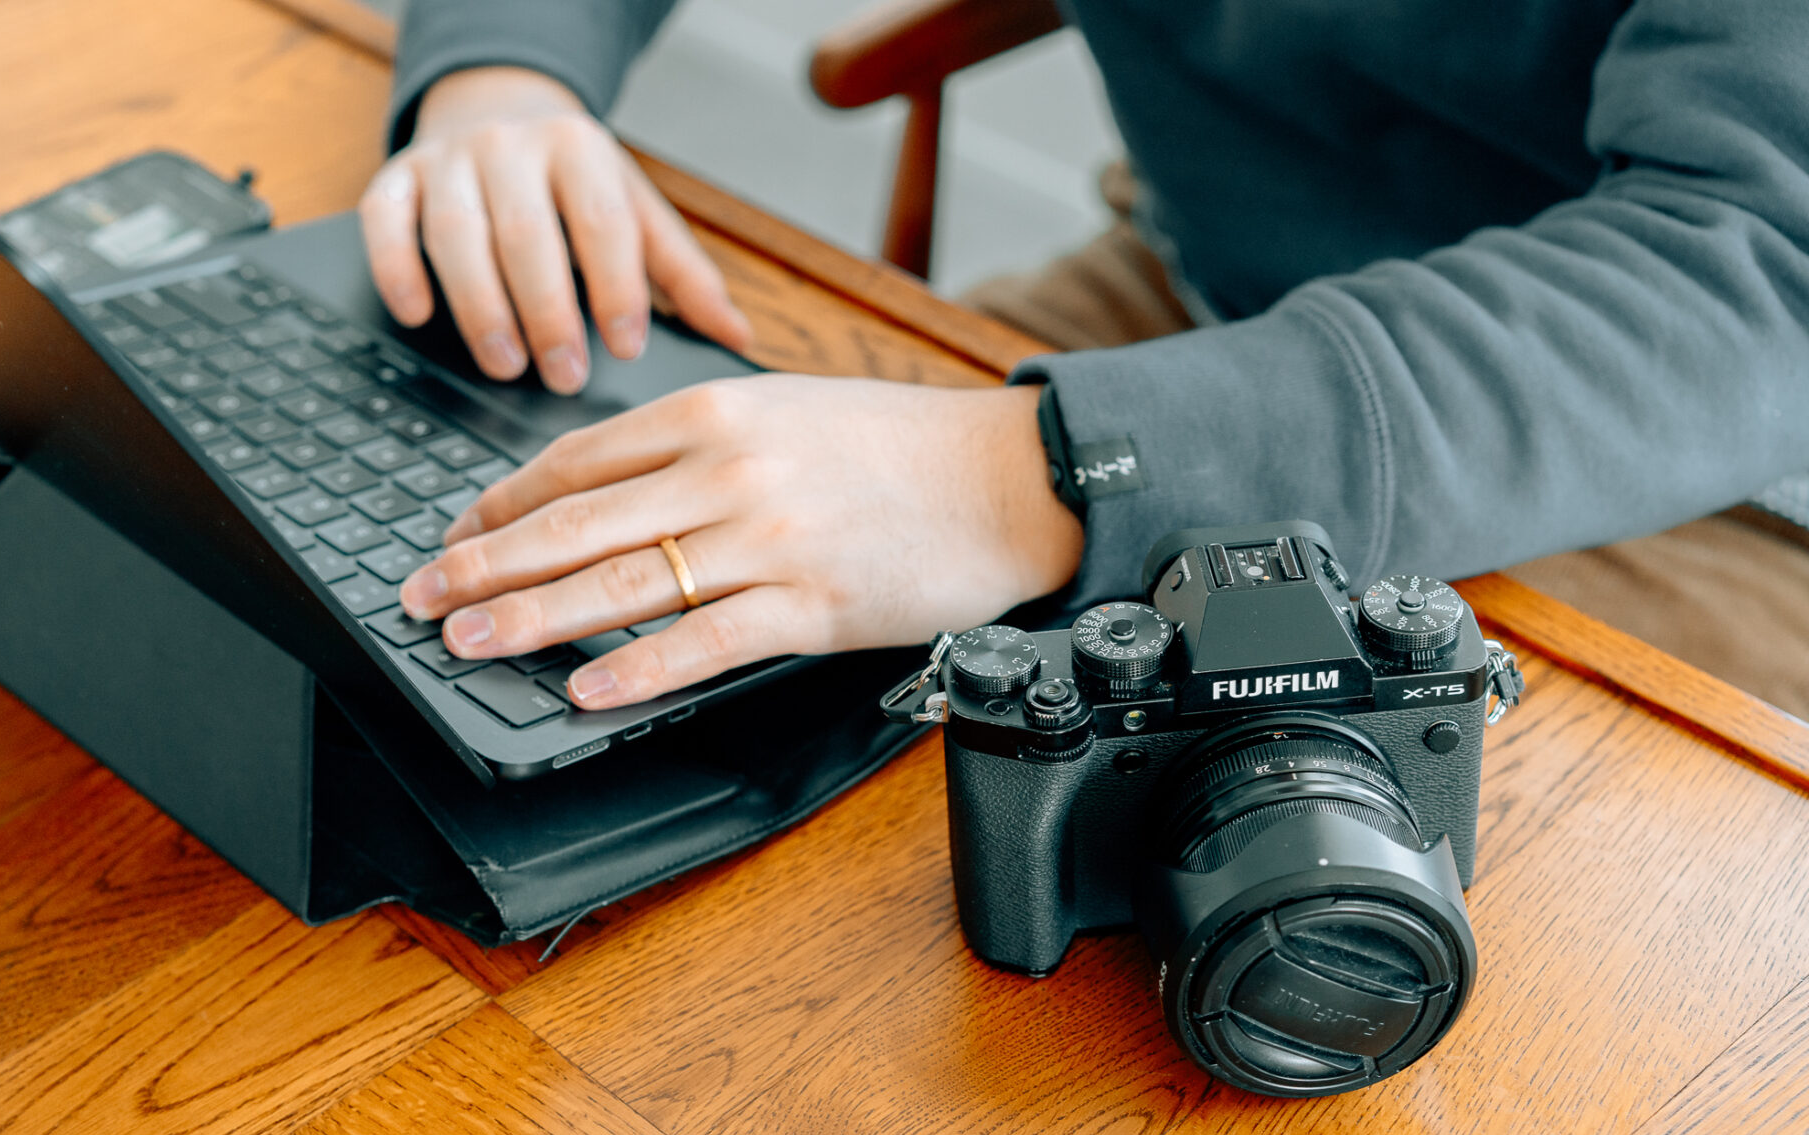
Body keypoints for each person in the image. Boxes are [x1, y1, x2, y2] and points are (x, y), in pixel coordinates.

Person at [369, 0, 1809, 720]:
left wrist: (1042, 472)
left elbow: (1763, 271)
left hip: (1709, 461)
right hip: (1206, 288)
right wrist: (507, 74)